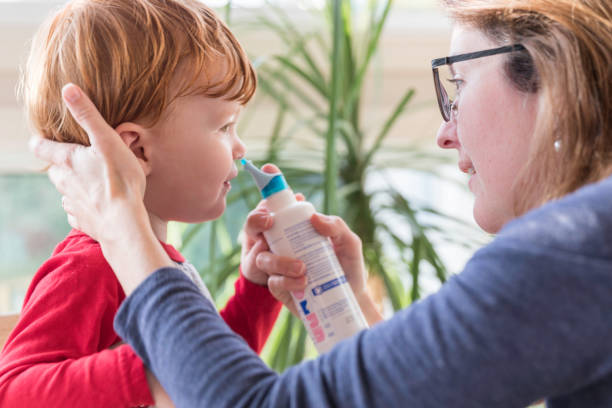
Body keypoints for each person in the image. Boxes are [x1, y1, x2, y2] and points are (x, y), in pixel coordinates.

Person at [30, 0, 612, 406]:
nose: (444, 131)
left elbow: (237, 396)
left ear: (553, 83)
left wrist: (132, 242)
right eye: (222, 125)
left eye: (459, 85)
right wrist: (347, 303)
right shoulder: (87, 265)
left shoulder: (573, 255)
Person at [0, 1, 332, 406]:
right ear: (136, 150)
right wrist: (154, 366)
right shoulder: (89, 267)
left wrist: (257, 289)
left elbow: (211, 378)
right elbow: (13, 390)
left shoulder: (160, 264)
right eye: (224, 126)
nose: (240, 147)